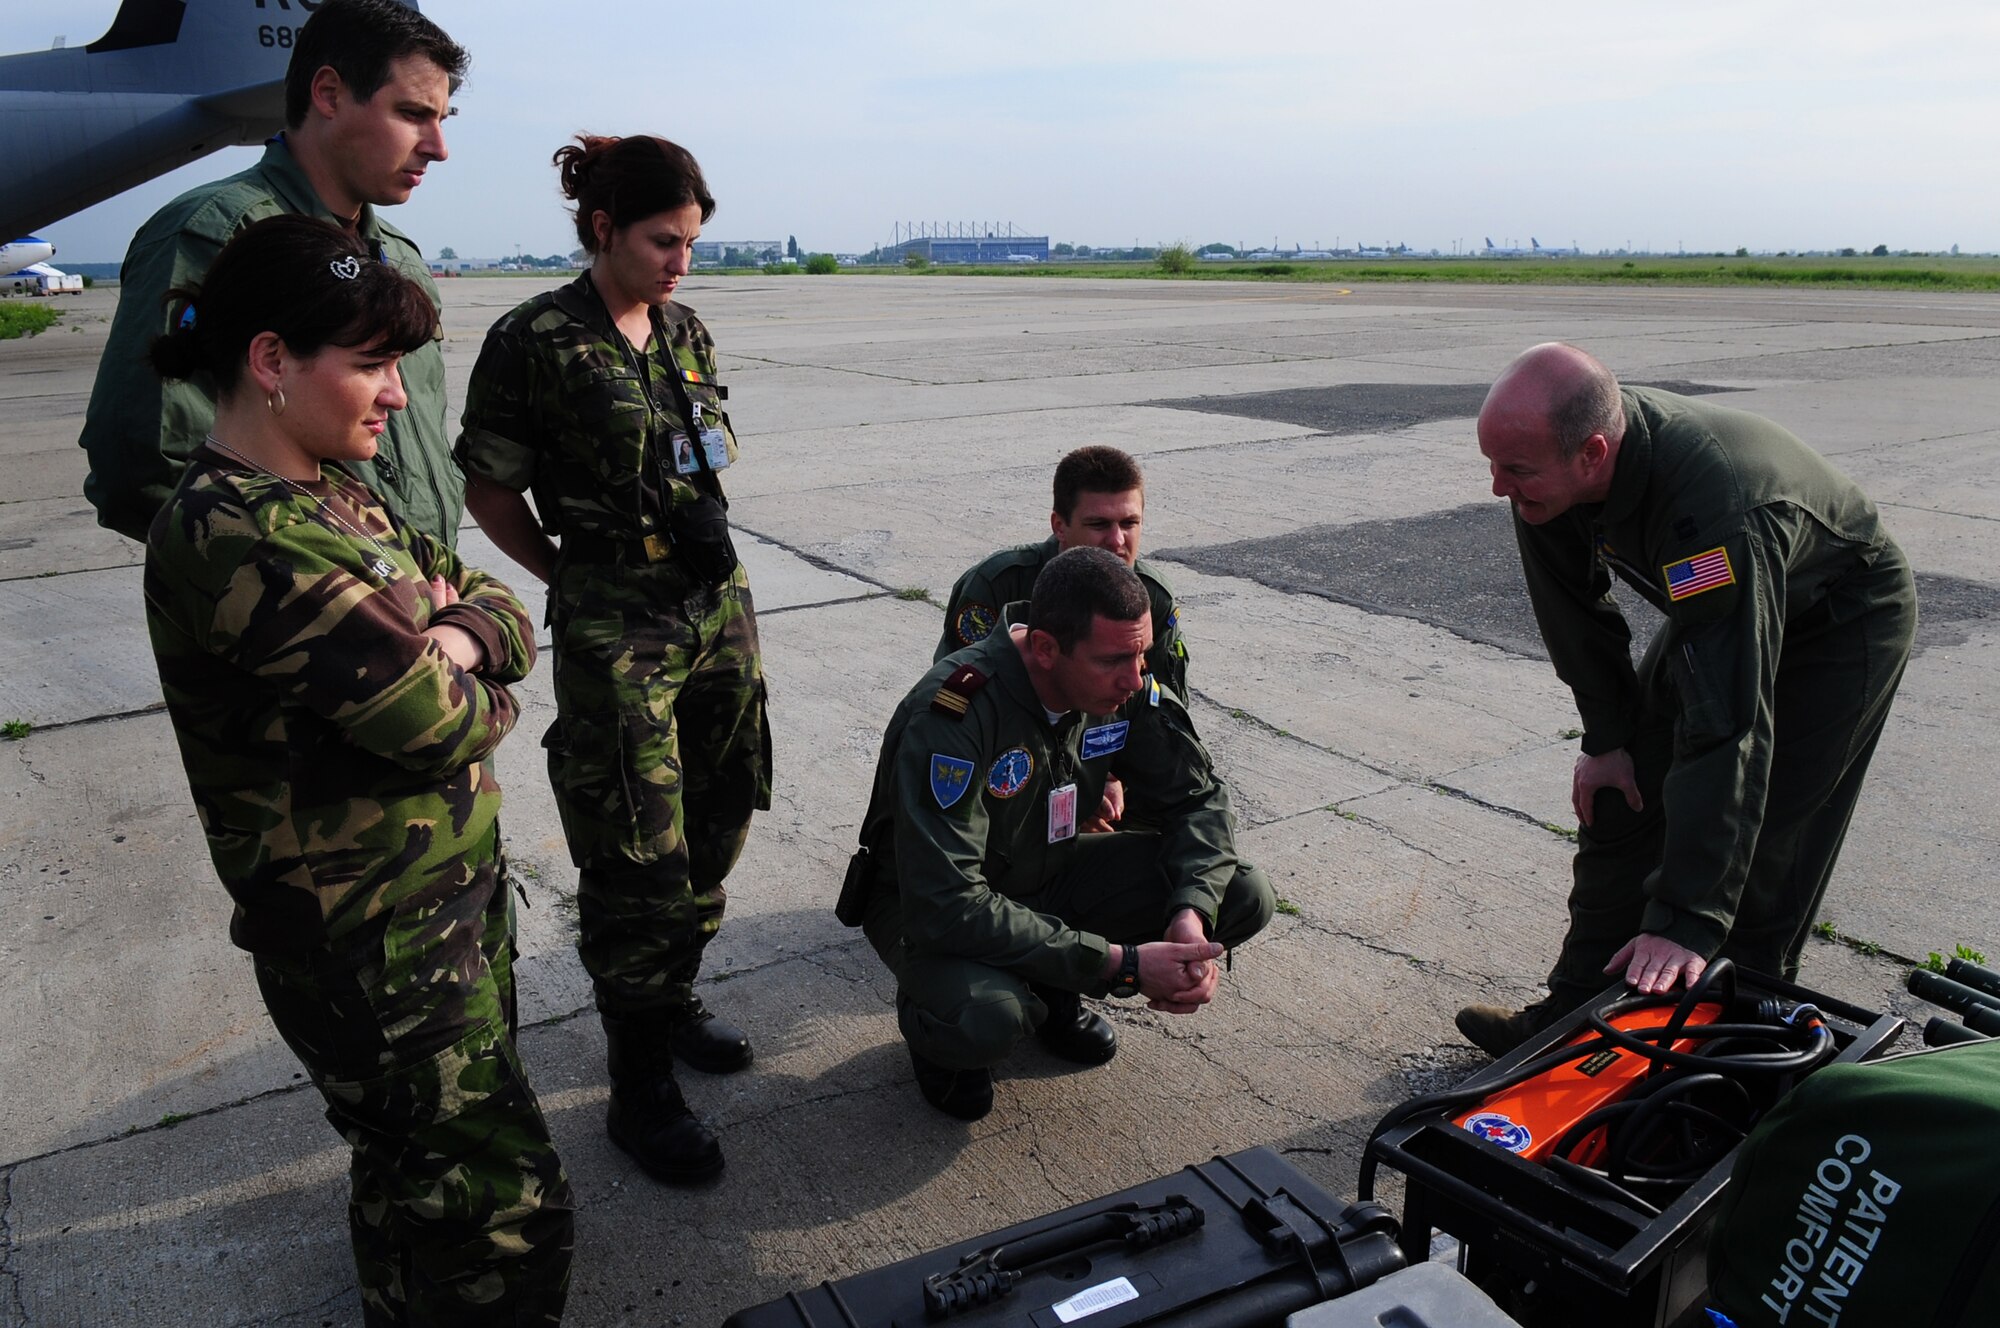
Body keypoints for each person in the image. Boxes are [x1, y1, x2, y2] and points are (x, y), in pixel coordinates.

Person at [142, 215, 570, 1325]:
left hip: (438, 912)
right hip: (372, 948)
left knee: (413, 1178)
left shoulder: (339, 491)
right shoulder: (236, 531)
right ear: (272, 361)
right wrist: (458, 657)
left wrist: (458, 631)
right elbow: (439, 724)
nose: (398, 395)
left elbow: (506, 611)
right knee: (497, 1209)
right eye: (372, 364)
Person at [456, 135, 771, 1185]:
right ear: (602, 229)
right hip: (615, 618)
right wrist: (568, 571)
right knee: (636, 845)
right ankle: (637, 1084)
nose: (682, 261)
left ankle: (670, 995)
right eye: (662, 241)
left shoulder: (684, 327)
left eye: (691, 241)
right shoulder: (534, 338)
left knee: (723, 802)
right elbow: (490, 488)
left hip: (713, 603)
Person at [1456, 343, 1917, 1057]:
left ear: (1593, 453)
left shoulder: (1710, 512)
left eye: (1513, 470)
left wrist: (1687, 916)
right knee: (1623, 790)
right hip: (1728, 606)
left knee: (1764, 838)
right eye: (1493, 464)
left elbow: (1726, 725)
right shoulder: (1542, 471)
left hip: (1839, 619)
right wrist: (1606, 737)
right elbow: (1573, 614)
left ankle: (1735, 1045)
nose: (1496, 486)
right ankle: (1569, 1020)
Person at [845, 546, 1274, 1121]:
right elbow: (948, 902)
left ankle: (1049, 983)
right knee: (983, 1019)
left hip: (1047, 868)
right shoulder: (954, 713)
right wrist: (1121, 964)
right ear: (1045, 649)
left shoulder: (1122, 686)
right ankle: (938, 1029)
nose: (1135, 677)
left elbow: (1197, 800)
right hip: (930, 905)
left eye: (1142, 653)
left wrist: (1188, 916)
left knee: (1243, 893)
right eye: (1114, 660)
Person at [82, 0, 468, 548]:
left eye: (442, 120)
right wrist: (305, 582)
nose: (439, 148)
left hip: (410, 603)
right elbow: (145, 463)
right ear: (329, 94)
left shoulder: (398, 260)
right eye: (411, 114)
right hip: (310, 617)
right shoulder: (216, 236)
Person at [936, 445, 1189, 702]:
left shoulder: (1153, 598)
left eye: (1129, 523)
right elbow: (960, 692)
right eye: (1098, 524)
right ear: (1059, 526)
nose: (1116, 540)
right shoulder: (1001, 585)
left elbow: (1163, 711)